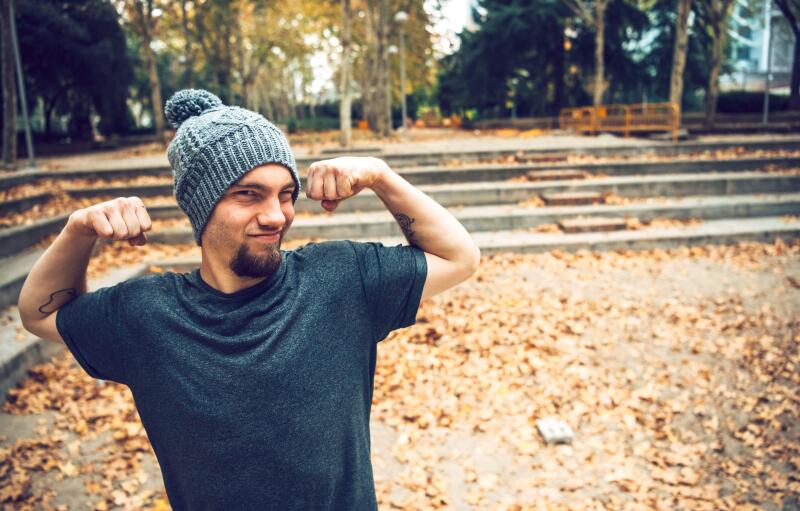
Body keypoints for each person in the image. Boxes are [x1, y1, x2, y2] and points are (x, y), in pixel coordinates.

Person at [17, 89, 480, 511]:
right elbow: (40, 315)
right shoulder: (146, 315)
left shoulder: (341, 280)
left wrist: (381, 176)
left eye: (286, 194)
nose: (276, 215)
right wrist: (79, 231)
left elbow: (459, 257)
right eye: (248, 195)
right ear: (202, 206)